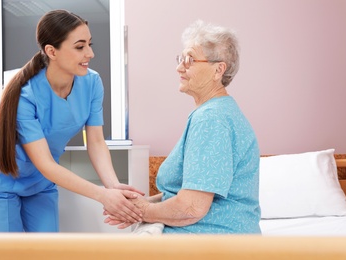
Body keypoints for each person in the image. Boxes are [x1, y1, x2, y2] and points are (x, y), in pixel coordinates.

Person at [0, 9, 143, 232]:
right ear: (51, 51)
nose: (90, 53)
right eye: (80, 47)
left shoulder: (91, 83)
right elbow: (45, 163)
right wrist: (103, 195)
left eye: (90, 44)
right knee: (7, 253)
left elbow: (96, 142)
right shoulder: (26, 94)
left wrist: (113, 186)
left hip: (40, 182)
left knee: (47, 250)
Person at [105, 20, 261, 234]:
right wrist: (140, 204)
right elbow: (187, 192)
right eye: (180, 59)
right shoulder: (216, 113)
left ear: (218, 70)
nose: (179, 67)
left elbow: (191, 208)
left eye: (189, 60)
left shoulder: (211, 119)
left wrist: (141, 211)